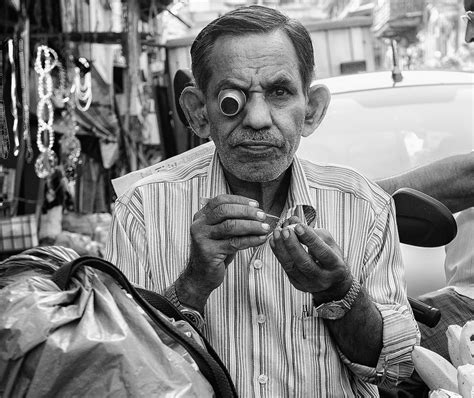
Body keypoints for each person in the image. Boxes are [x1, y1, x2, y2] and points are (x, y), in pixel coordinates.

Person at [105, 6, 419, 397]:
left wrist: (339, 292)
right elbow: (117, 372)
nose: (256, 118)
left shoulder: (364, 207)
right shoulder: (142, 210)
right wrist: (192, 285)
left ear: (313, 110)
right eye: (231, 99)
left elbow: (395, 368)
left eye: (279, 92)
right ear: (199, 113)